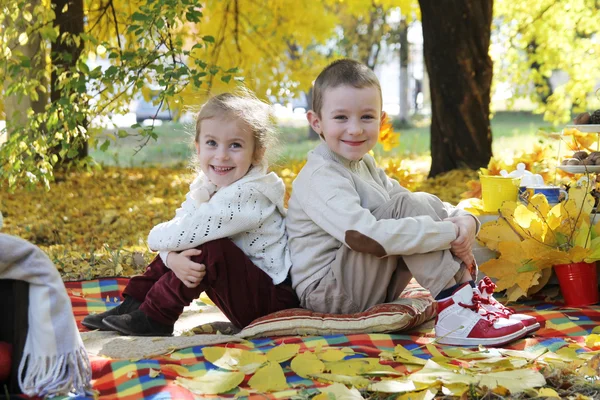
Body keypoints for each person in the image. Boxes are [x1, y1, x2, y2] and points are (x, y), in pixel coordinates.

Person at [286, 59, 538, 346]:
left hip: (366, 282)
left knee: (411, 201)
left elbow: (410, 199)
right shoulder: (321, 175)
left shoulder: (363, 163)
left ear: (380, 120)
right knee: (405, 208)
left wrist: (465, 219)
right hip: (330, 293)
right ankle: (456, 310)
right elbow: (362, 237)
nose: (355, 129)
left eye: (366, 117)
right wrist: (449, 233)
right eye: (341, 118)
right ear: (316, 122)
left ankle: (468, 301)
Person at [82, 91, 299, 336]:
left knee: (209, 248)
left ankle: (157, 316)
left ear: (257, 152)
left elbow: (184, 233)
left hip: (272, 303)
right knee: (192, 241)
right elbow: (181, 226)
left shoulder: (250, 194)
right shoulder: (209, 184)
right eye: (211, 143)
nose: (222, 155)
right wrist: (170, 258)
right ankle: (134, 305)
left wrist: (158, 244)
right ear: (198, 147)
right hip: (245, 291)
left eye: (235, 145)